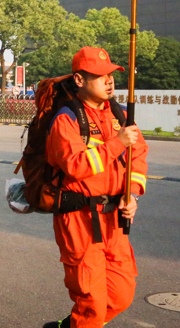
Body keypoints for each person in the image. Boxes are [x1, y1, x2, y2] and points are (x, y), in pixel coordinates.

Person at [42, 47, 148, 328]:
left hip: (114, 220)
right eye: (100, 76)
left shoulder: (120, 115)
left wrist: (132, 195)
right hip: (80, 220)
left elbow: (138, 156)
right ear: (79, 80)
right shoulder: (66, 119)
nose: (109, 80)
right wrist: (117, 143)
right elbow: (75, 165)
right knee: (92, 303)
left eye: (111, 74)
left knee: (120, 296)